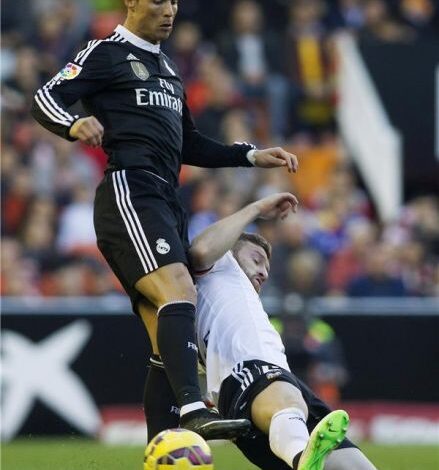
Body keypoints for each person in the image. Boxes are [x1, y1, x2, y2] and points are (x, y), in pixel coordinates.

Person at [31, 0, 298, 441]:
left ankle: (160, 450)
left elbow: (188, 143)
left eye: (174, 1)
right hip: (131, 189)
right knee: (180, 289)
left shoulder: (169, 69)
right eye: (158, 0)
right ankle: (193, 410)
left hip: (166, 199)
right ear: (132, 2)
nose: (170, 9)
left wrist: (249, 156)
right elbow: (46, 97)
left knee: (165, 336)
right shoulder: (105, 52)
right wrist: (73, 124)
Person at [147, 193, 377, 469]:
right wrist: (256, 208)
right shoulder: (220, 268)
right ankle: (301, 456)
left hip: (275, 392)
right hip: (252, 376)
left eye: (267, 267)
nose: (264, 272)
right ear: (230, 251)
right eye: (256, 259)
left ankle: (301, 455)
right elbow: (201, 250)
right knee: (289, 409)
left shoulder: (228, 304)